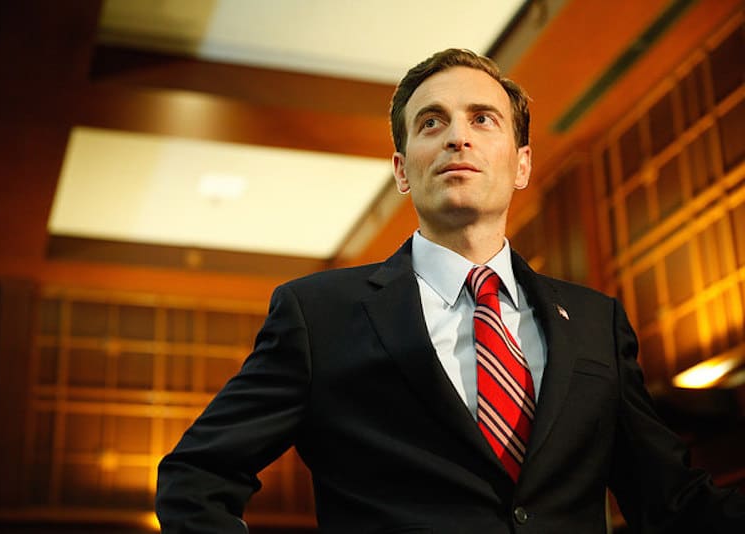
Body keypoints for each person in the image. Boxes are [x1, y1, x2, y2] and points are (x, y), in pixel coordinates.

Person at [155, 49, 745, 533]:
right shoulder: (318, 315)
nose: (457, 137)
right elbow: (196, 476)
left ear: (521, 164)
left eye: (482, 119)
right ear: (402, 170)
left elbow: (673, 503)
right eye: (431, 122)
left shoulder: (596, 323)